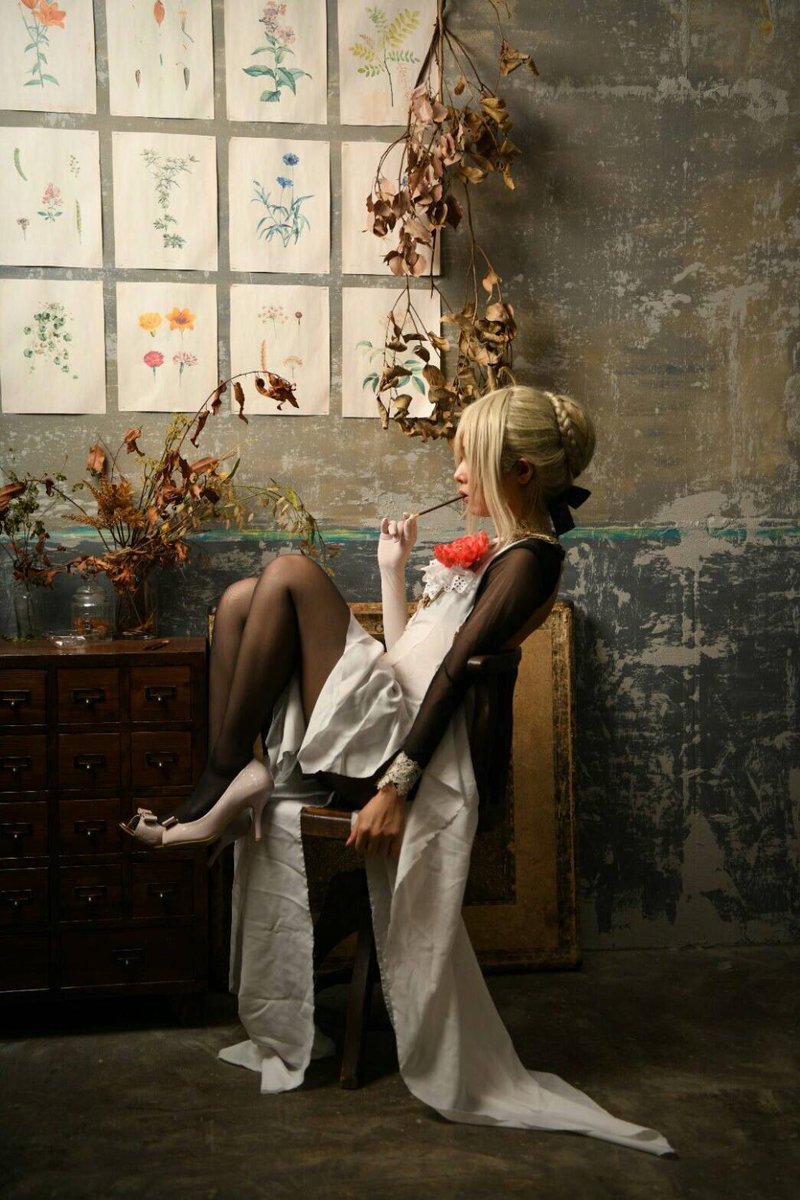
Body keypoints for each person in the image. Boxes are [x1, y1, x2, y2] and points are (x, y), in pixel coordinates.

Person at [122, 385, 676, 1157]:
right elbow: (415, 652)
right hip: (391, 718)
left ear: (519, 470)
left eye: (468, 460)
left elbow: (450, 678)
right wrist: (395, 569)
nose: (456, 475)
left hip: (407, 754)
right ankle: (236, 774)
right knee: (245, 596)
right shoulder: (502, 551)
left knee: (290, 574)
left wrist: (394, 788)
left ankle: (219, 783)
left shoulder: (530, 560)